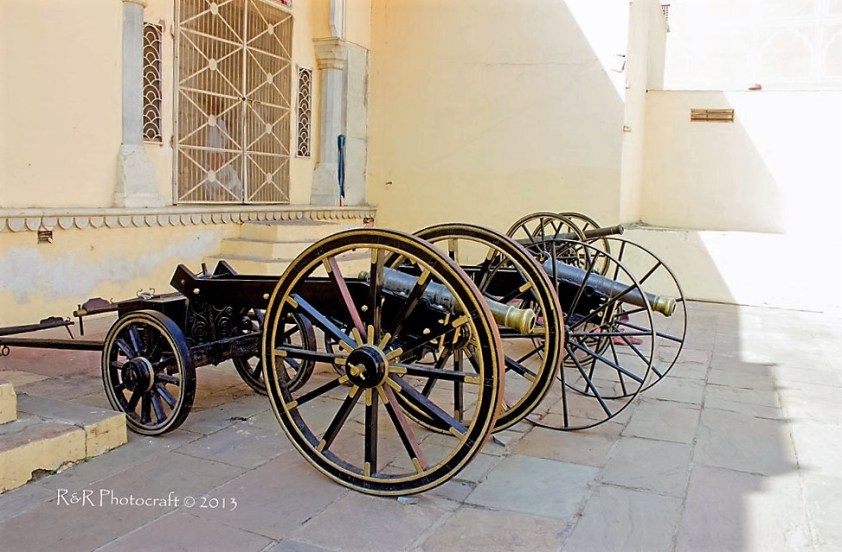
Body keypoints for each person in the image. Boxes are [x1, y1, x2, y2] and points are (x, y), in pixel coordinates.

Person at [205, 94, 243, 201]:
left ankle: (238, 198)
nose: (213, 109)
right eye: (212, 107)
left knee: (233, 177)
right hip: (209, 153)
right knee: (208, 179)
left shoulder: (220, 123)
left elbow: (226, 138)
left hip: (218, 151)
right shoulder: (206, 123)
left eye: (216, 107)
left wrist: (220, 155)